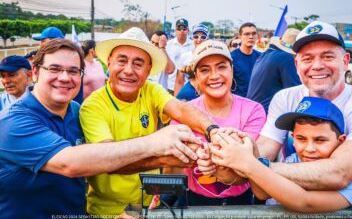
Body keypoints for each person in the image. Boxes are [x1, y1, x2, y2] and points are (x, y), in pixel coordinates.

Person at [0, 39, 202, 218]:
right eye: (54, 69)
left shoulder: (75, 112)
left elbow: (102, 158)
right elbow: (70, 164)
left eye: (72, 71)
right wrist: (156, 143)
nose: (64, 77)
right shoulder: (12, 122)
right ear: (34, 72)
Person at [79, 27, 220, 216]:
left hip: (150, 203)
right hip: (108, 209)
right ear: (109, 63)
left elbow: (180, 109)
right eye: (122, 60)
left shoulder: (149, 89)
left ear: (148, 70)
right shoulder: (93, 106)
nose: (128, 70)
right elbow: (108, 160)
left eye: (138, 63)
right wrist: (166, 158)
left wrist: (212, 130)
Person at [252, 21, 352, 193]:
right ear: (297, 65)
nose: (317, 66)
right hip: (281, 204)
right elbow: (266, 145)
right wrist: (234, 152)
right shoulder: (285, 98)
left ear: (345, 61)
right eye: (307, 58)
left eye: (327, 57)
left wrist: (257, 167)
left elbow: (339, 172)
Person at [211, 97, 352, 212]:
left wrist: (250, 163)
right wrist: (249, 145)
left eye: (320, 140)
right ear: (293, 139)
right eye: (301, 138)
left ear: (341, 141)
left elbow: (305, 203)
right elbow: (261, 192)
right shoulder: (292, 160)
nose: (309, 148)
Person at [167, 40, 266, 206]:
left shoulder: (252, 110)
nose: (214, 76)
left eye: (221, 67)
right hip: (194, 201)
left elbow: (255, 162)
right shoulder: (184, 112)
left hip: (241, 203)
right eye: (205, 70)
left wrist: (207, 155)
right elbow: (172, 172)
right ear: (196, 76)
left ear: (232, 70)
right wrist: (187, 157)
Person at [247, 28, 301, 114]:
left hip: (253, 112)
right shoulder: (286, 57)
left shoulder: (265, 55)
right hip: (267, 115)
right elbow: (295, 92)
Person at [174, 23, 209, 97]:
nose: (199, 40)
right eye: (196, 37)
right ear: (192, 38)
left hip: (207, 95)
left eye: (203, 37)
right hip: (189, 95)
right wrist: (176, 101)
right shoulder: (185, 56)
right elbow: (179, 82)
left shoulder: (211, 56)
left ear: (207, 39)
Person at [231, 22, 261, 97]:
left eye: (254, 33)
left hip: (257, 102)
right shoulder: (231, 58)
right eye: (247, 34)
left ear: (257, 36)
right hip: (238, 102)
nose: (251, 37)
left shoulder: (261, 57)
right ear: (240, 36)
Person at [166, 18, 194, 94]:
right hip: (170, 85)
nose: (182, 31)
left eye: (184, 28)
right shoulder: (168, 45)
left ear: (188, 30)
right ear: (175, 30)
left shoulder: (193, 45)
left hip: (188, 85)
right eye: (179, 28)